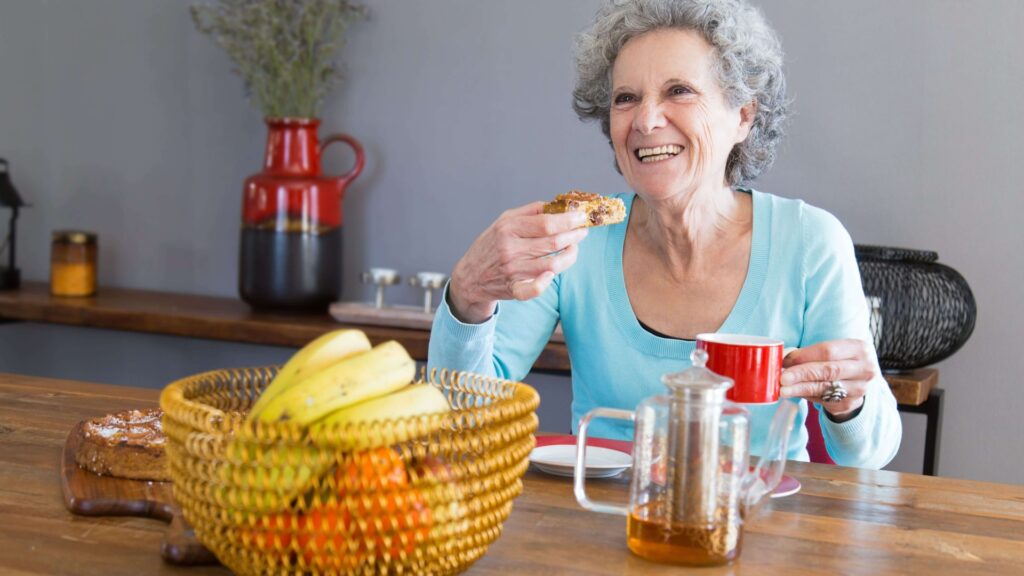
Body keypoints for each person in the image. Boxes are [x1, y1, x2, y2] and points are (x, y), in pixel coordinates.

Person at [428, 0, 900, 469]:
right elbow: (459, 422)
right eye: (625, 98)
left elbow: (869, 454)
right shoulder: (577, 241)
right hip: (600, 518)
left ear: (743, 116)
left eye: (679, 91)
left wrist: (846, 400)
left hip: (757, 522)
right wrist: (468, 295)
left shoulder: (810, 241)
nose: (646, 121)